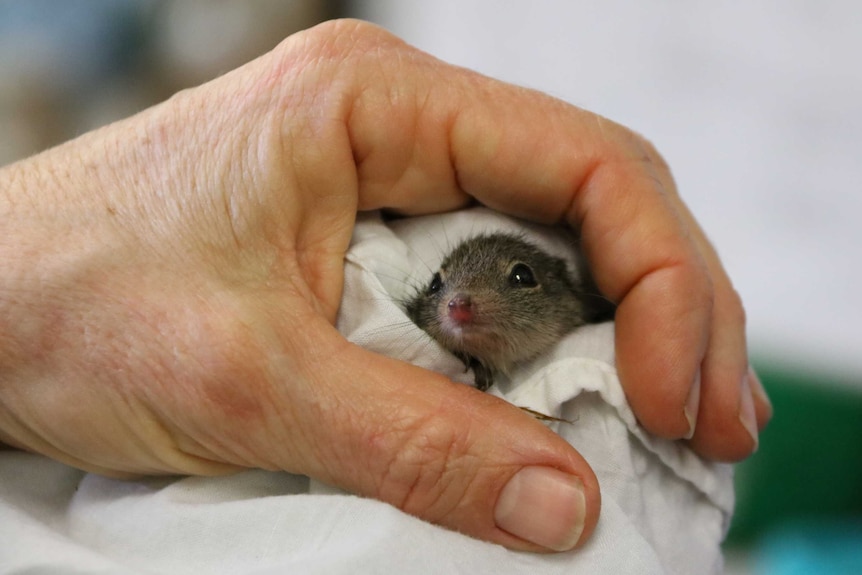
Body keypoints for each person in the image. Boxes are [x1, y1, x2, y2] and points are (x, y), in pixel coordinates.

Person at [0, 20, 771, 553]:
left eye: (518, 280)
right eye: (445, 286)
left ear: (569, 297)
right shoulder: (406, 308)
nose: (457, 304)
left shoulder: (579, 328)